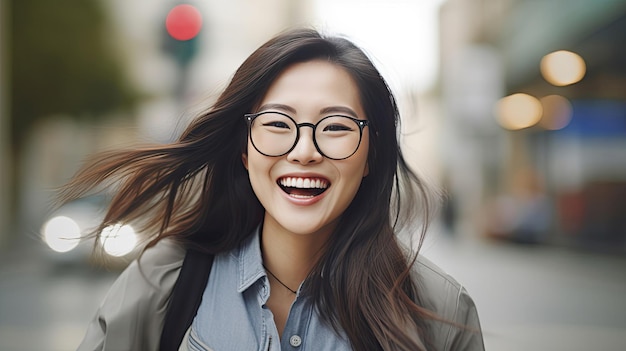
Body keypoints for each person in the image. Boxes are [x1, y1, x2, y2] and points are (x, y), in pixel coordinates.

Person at [65, 28, 484, 350]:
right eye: (278, 124)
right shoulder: (165, 281)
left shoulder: (437, 309)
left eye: (336, 127)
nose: (304, 151)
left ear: (372, 153)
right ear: (245, 150)